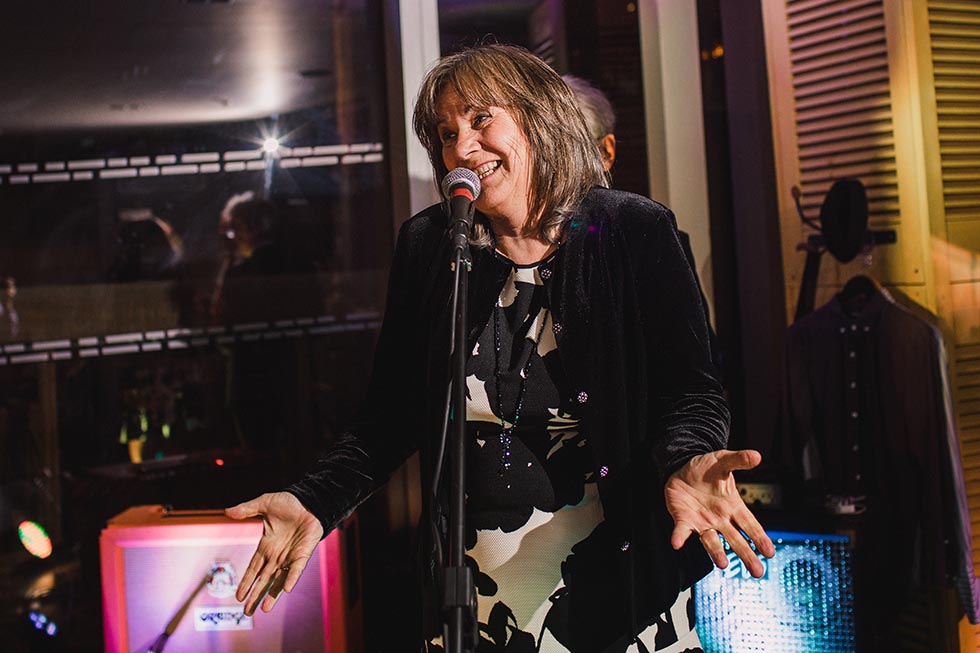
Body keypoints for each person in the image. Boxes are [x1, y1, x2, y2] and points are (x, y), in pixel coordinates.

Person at [226, 44, 774, 652]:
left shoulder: (633, 229)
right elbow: (388, 418)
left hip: (619, 589)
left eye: (481, 119)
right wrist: (315, 501)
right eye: (446, 133)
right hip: (475, 597)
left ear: (538, 118)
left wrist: (687, 457)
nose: (462, 148)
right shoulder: (430, 247)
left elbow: (692, 391)